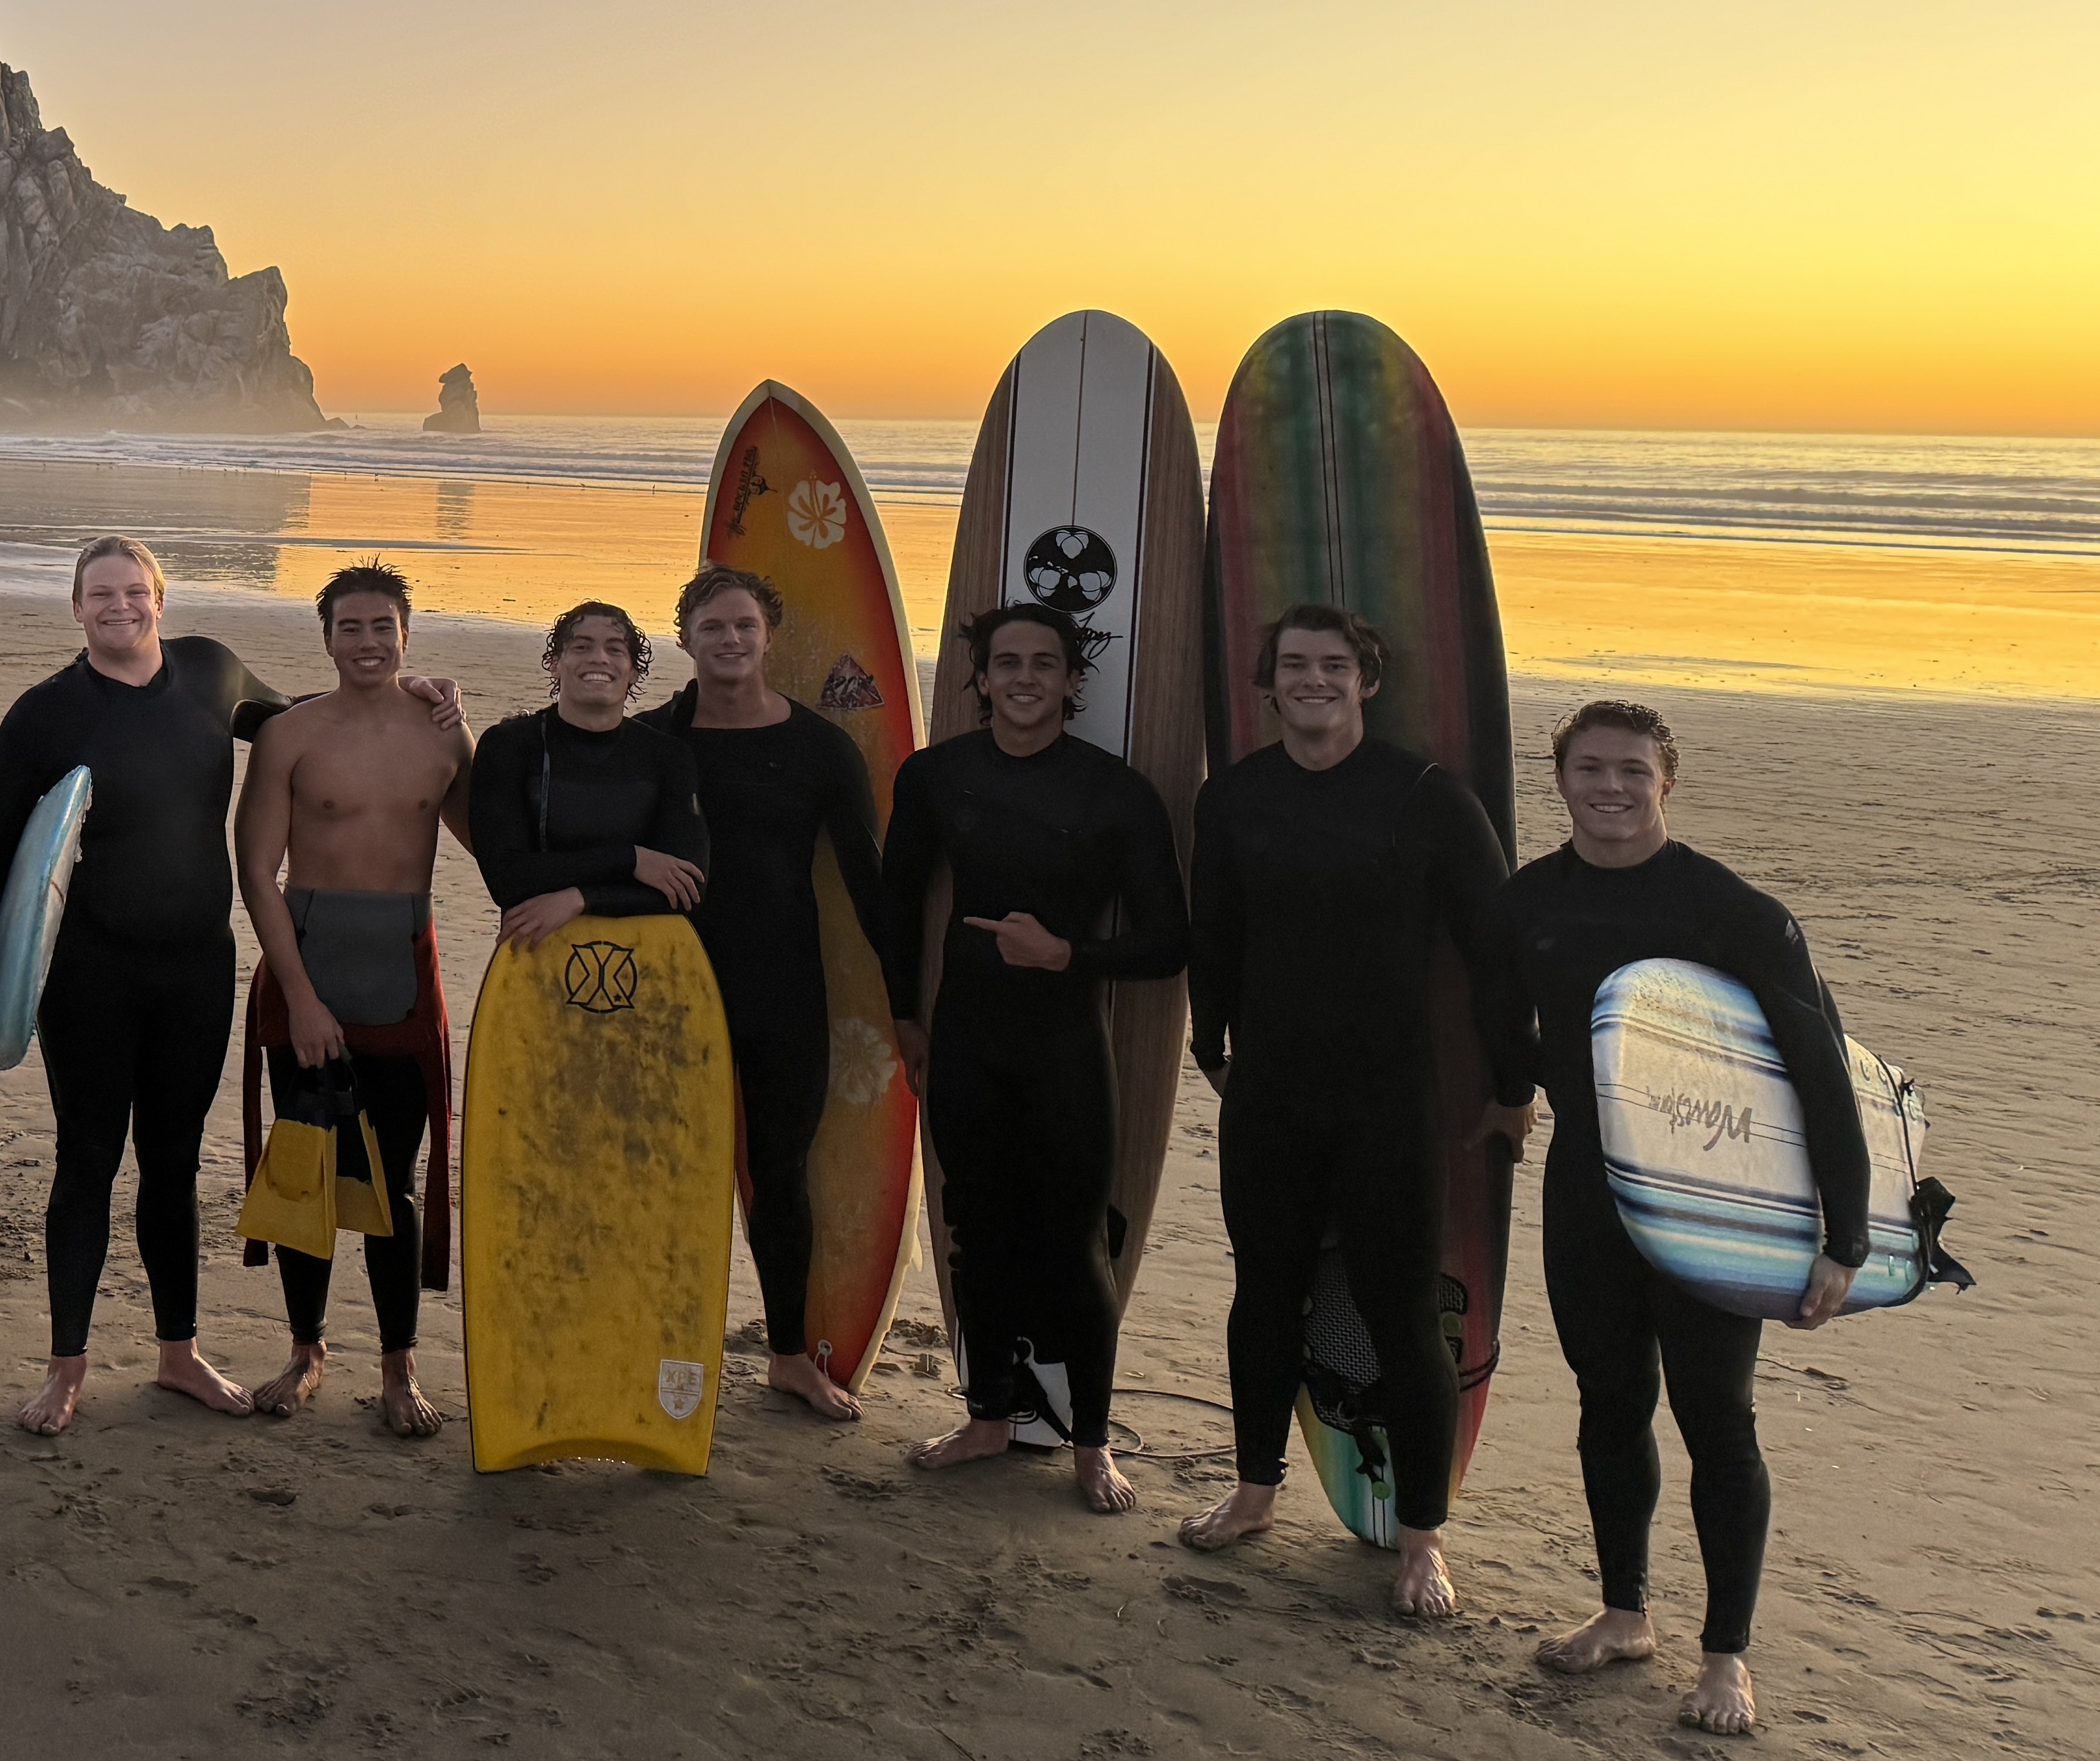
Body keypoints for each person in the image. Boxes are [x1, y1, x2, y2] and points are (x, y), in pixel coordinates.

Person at [0, 536, 460, 1436]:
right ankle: (66, 1369)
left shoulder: (210, 673)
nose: (119, 606)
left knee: (172, 1164)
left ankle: (176, 1352)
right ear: (74, 607)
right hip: (89, 973)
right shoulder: (43, 714)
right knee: (88, 1160)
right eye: (100, 593)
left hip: (193, 970)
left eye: (134, 590)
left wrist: (407, 693)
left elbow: (305, 716)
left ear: (159, 599)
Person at [1498, 702, 1870, 1737]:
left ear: (1667, 781)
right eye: (1586, 768)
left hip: (1714, 1199)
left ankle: (1724, 1657)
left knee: (1716, 1419)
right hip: (1586, 1187)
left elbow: (1818, 1071)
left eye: (1629, 770)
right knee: (1606, 1402)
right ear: (1558, 775)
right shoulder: (1530, 897)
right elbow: (1503, 1018)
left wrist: (1841, 1237)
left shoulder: (1729, 909)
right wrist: (1506, 1089)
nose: (1606, 787)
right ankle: (1623, 1611)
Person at [1175, 603, 1533, 1616]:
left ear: (1365, 681)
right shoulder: (1235, 797)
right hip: (1271, 1092)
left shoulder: (1425, 798)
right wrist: (1210, 1042)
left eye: (1333, 665)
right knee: (1264, 1290)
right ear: (1266, 680)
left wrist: (1514, 1085)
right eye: (1293, 664)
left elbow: (1493, 953)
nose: (1313, 681)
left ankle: (1421, 1538)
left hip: (1386, 1098)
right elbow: (1215, 927)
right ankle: (1252, 1489)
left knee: (1398, 1311)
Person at [878, 603, 1188, 1511]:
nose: (1021, 677)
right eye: (1004, 662)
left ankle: (1090, 1444)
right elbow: (896, 904)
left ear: (1069, 680)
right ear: (977, 678)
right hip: (965, 1039)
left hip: (1064, 1046)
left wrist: (1068, 955)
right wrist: (903, 1015)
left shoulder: (1114, 792)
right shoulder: (937, 776)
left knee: (1074, 1245)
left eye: (1041, 663)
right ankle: (985, 1415)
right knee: (976, 1236)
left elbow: (1170, 940)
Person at [231, 563, 473, 1436]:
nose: (367, 641)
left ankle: (397, 1369)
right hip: (310, 962)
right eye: (350, 626)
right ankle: (305, 1352)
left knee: (392, 1187)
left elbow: (497, 843)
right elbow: (254, 869)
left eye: (382, 626)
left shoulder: (444, 736)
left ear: (406, 632)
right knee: (308, 1179)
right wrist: (296, 993)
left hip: (400, 972)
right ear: (325, 636)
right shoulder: (291, 735)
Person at [643, 565, 889, 1421]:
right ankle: (670, 1354)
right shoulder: (653, 740)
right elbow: (563, 808)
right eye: (711, 626)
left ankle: (786, 1354)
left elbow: (868, 884)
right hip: (667, 993)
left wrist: (910, 1010)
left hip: (783, 989)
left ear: (767, 634)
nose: (729, 640)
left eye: (743, 625)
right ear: (683, 638)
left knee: (779, 1174)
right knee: (674, 1179)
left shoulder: (820, 747)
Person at [468, 601, 708, 950]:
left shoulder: (666, 756)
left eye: (615, 649)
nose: (599, 658)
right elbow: (508, 879)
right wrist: (634, 860)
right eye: (581, 647)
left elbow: (688, 889)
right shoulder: (510, 747)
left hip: (648, 959)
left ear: (633, 672)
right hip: (534, 958)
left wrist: (581, 898)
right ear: (555, 664)